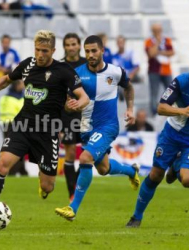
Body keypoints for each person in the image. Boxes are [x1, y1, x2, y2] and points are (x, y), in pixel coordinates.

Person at [0, 30, 90, 228]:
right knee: (2, 164)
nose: (40, 54)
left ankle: (44, 185)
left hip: (48, 133)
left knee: (47, 186)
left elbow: (83, 96)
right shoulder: (29, 64)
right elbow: (7, 78)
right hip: (22, 126)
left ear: (53, 51)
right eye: (37, 49)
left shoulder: (63, 71)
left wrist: (78, 104)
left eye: (45, 51)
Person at [126, 53, 189, 228]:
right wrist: (182, 111)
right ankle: (136, 217)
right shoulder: (181, 81)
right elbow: (161, 108)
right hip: (173, 134)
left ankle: (176, 165)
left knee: (188, 181)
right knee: (156, 175)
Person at [55, 35, 140, 221]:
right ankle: (131, 171)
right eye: (87, 51)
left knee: (85, 157)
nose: (91, 54)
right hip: (86, 128)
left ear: (102, 50)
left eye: (94, 50)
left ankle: (73, 208)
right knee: (103, 168)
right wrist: (70, 106)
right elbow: (68, 104)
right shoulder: (76, 74)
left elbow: (129, 87)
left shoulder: (116, 72)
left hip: (107, 126)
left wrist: (130, 109)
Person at [60, 33, 87, 201]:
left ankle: (77, 184)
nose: (71, 47)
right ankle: (72, 193)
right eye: (68, 45)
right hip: (68, 115)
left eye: (73, 44)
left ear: (79, 45)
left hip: (86, 114)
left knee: (87, 153)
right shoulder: (60, 66)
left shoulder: (87, 63)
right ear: (64, 47)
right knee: (70, 153)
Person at [0, 80, 27, 176]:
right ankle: (13, 172)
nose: (23, 86)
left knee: (11, 150)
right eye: (22, 84)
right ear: (17, 85)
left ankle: (23, 172)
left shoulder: (5, 98)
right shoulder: (19, 99)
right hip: (16, 125)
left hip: (6, 125)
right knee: (17, 150)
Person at [145, 23, 175, 116]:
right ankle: (154, 111)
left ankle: (168, 107)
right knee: (154, 92)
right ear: (153, 31)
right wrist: (157, 43)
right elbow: (151, 54)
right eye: (156, 31)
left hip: (166, 70)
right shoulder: (149, 41)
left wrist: (159, 52)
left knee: (169, 90)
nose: (158, 32)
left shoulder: (167, 40)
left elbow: (172, 52)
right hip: (154, 70)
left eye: (159, 30)